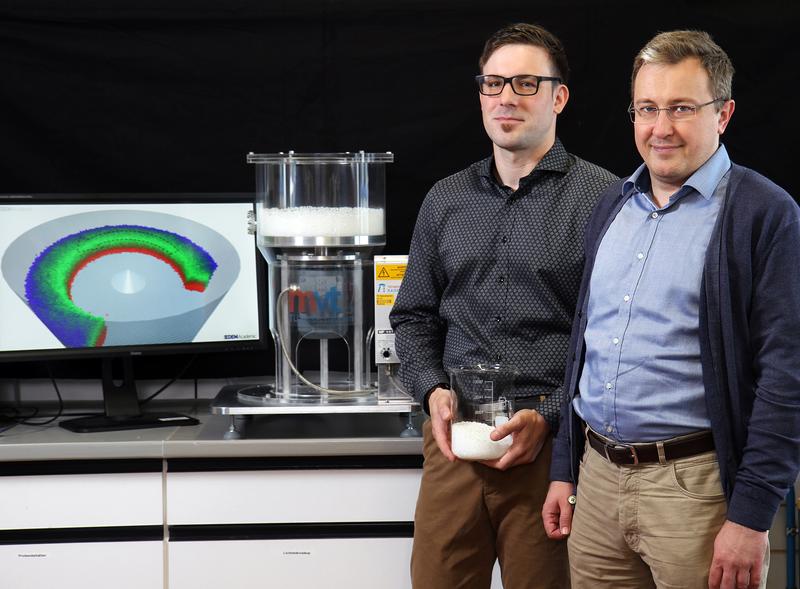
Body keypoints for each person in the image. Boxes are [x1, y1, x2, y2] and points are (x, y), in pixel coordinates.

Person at [542, 30, 800, 589]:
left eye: (681, 108)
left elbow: (788, 377)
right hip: (598, 483)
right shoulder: (613, 205)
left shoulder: (765, 214)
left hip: (696, 491)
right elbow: (582, 350)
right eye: (647, 108)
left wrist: (751, 517)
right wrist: (564, 468)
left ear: (723, 114)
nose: (661, 128)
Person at [390, 22, 617, 589]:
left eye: (525, 83)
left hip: (551, 453)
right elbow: (413, 317)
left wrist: (553, 417)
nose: (506, 98)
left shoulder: (605, 199)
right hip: (455, 444)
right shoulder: (446, 199)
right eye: (493, 84)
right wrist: (431, 390)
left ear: (558, 96)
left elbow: (616, 341)